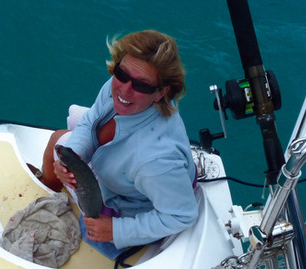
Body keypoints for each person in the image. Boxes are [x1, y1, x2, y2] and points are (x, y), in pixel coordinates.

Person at [40, 29, 198, 255]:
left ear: (161, 93)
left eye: (141, 85)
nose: (125, 90)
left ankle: (49, 187)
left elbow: (182, 215)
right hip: (128, 167)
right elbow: (91, 119)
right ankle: (54, 185)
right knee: (68, 134)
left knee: (57, 138)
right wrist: (74, 157)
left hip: (136, 200)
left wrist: (117, 230)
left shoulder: (155, 162)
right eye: (121, 74)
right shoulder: (122, 87)